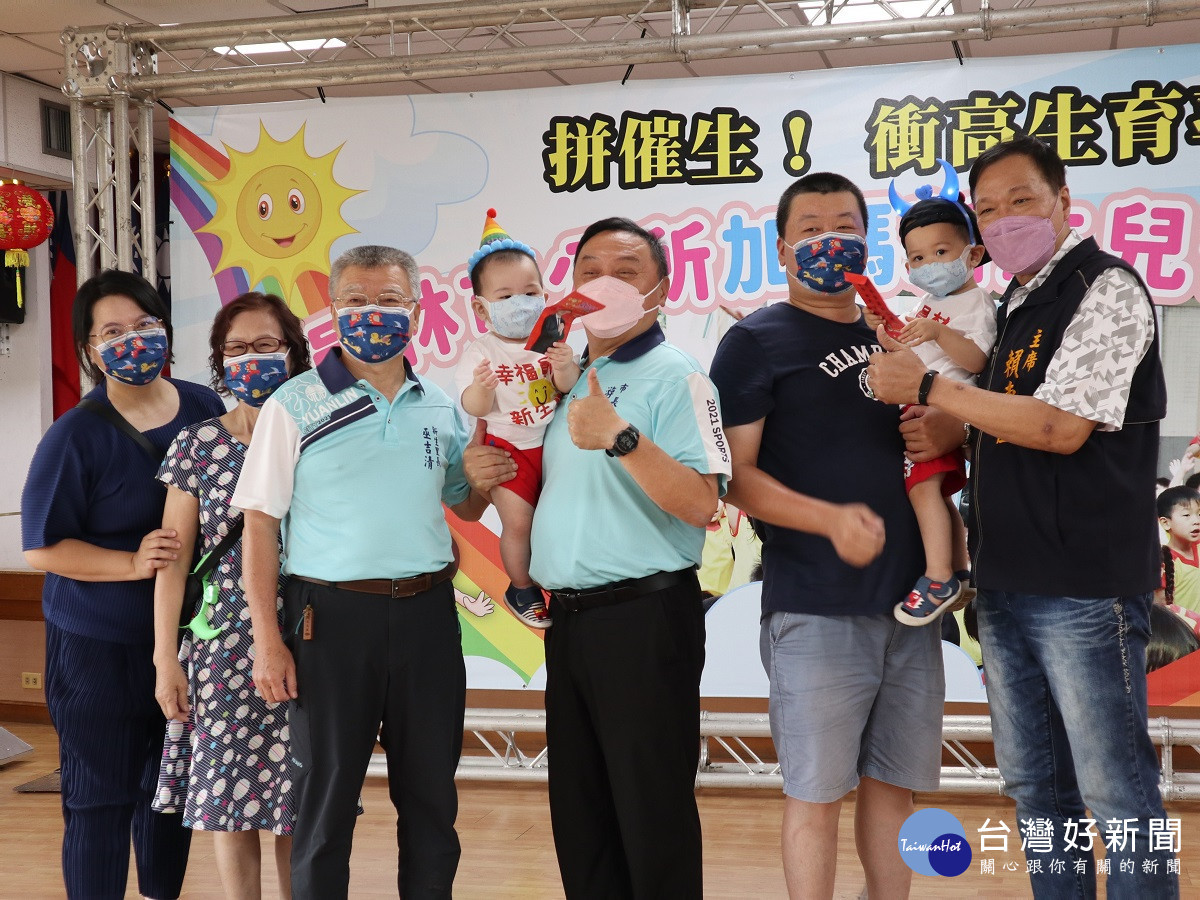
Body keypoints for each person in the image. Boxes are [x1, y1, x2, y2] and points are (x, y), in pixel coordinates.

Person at [867, 135, 1177, 897]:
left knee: (1117, 793)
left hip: (1084, 588)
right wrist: (956, 427)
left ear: (1063, 201)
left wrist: (932, 391)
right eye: (989, 209)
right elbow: (1005, 418)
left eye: (1022, 200)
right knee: (1038, 790)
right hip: (1004, 583)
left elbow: (1060, 426)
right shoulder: (1010, 303)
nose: (1005, 219)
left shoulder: (1104, 287)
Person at [465, 216, 731, 899]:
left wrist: (620, 436)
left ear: (661, 290)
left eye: (626, 271)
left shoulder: (678, 376)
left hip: (644, 618)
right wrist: (479, 465)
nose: (604, 284)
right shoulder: (563, 380)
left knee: (650, 810)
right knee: (582, 815)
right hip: (570, 622)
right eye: (589, 272)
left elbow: (702, 503)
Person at [230, 245, 490, 899]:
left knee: (431, 800)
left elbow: (463, 501)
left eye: (389, 301)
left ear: (417, 311)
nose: (372, 314)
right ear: (333, 309)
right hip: (329, 620)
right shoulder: (293, 403)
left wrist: (485, 477)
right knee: (325, 804)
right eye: (355, 301)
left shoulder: (439, 403)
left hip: (428, 618)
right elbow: (259, 525)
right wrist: (266, 637)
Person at [708, 173, 941, 900]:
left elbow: (934, 439)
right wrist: (828, 520)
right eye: (810, 230)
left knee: (896, 788)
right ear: (782, 250)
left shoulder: (896, 334)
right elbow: (733, 477)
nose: (829, 241)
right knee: (815, 794)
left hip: (912, 604)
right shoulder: (754, 341)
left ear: (868, 244)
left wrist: (942, 424)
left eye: (845, 227)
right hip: (815, 604)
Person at [21, 269, 225, 900]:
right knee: (99, 799)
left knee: (169, 794)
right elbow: (41, 548)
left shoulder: (204, 406)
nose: (133, 339)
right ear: (89, 348)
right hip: (96, 650)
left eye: (144, 324)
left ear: (166, 329)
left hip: (190, 641)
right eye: (112, 332)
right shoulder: (75, 435)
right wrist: (131, 564)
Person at [151, 292, 311, 899]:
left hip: (308, 631)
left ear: (293, 352)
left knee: (299, 798)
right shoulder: (197, 443)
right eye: (237, 348)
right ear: (219, 360)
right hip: (222, 646)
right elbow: (174, 562)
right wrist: (165, 658)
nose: (252, 359)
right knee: (229, 800)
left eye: (267, 345)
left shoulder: (319, 435)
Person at [457, 209, 579, 627]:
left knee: (556, 520)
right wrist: (482, 387)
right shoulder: (481, 352)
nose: (520, 304)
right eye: (505, 297)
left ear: (544, 294)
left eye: (529, 292)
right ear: (481, 308)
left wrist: (564, 365)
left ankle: (557, 581)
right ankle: (522, 588)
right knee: (519, 523)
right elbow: (474, 407)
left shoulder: (552, 339)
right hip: (508, 451)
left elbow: (567, 386)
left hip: (554, 444)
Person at [883, 174, 995, 625]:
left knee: (922, 489)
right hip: (921, 410)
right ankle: (960, 570)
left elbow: (977, 358)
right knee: (939, 493)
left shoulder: (978, 303)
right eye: (918, 257)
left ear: (974, 254)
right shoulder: (925, 303)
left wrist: (939, 332)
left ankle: (937, 577)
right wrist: (885, 328)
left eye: (941, 252)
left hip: (943, 414)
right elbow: (908, 349)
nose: (929, 264)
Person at [1157, 485, 1200, 615]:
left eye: (1199, 514)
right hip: (1185, 627)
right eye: (1187, 515)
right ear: (1165, 523)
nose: (1196, 521)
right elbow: (1159, 610)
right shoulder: (1164, 562)